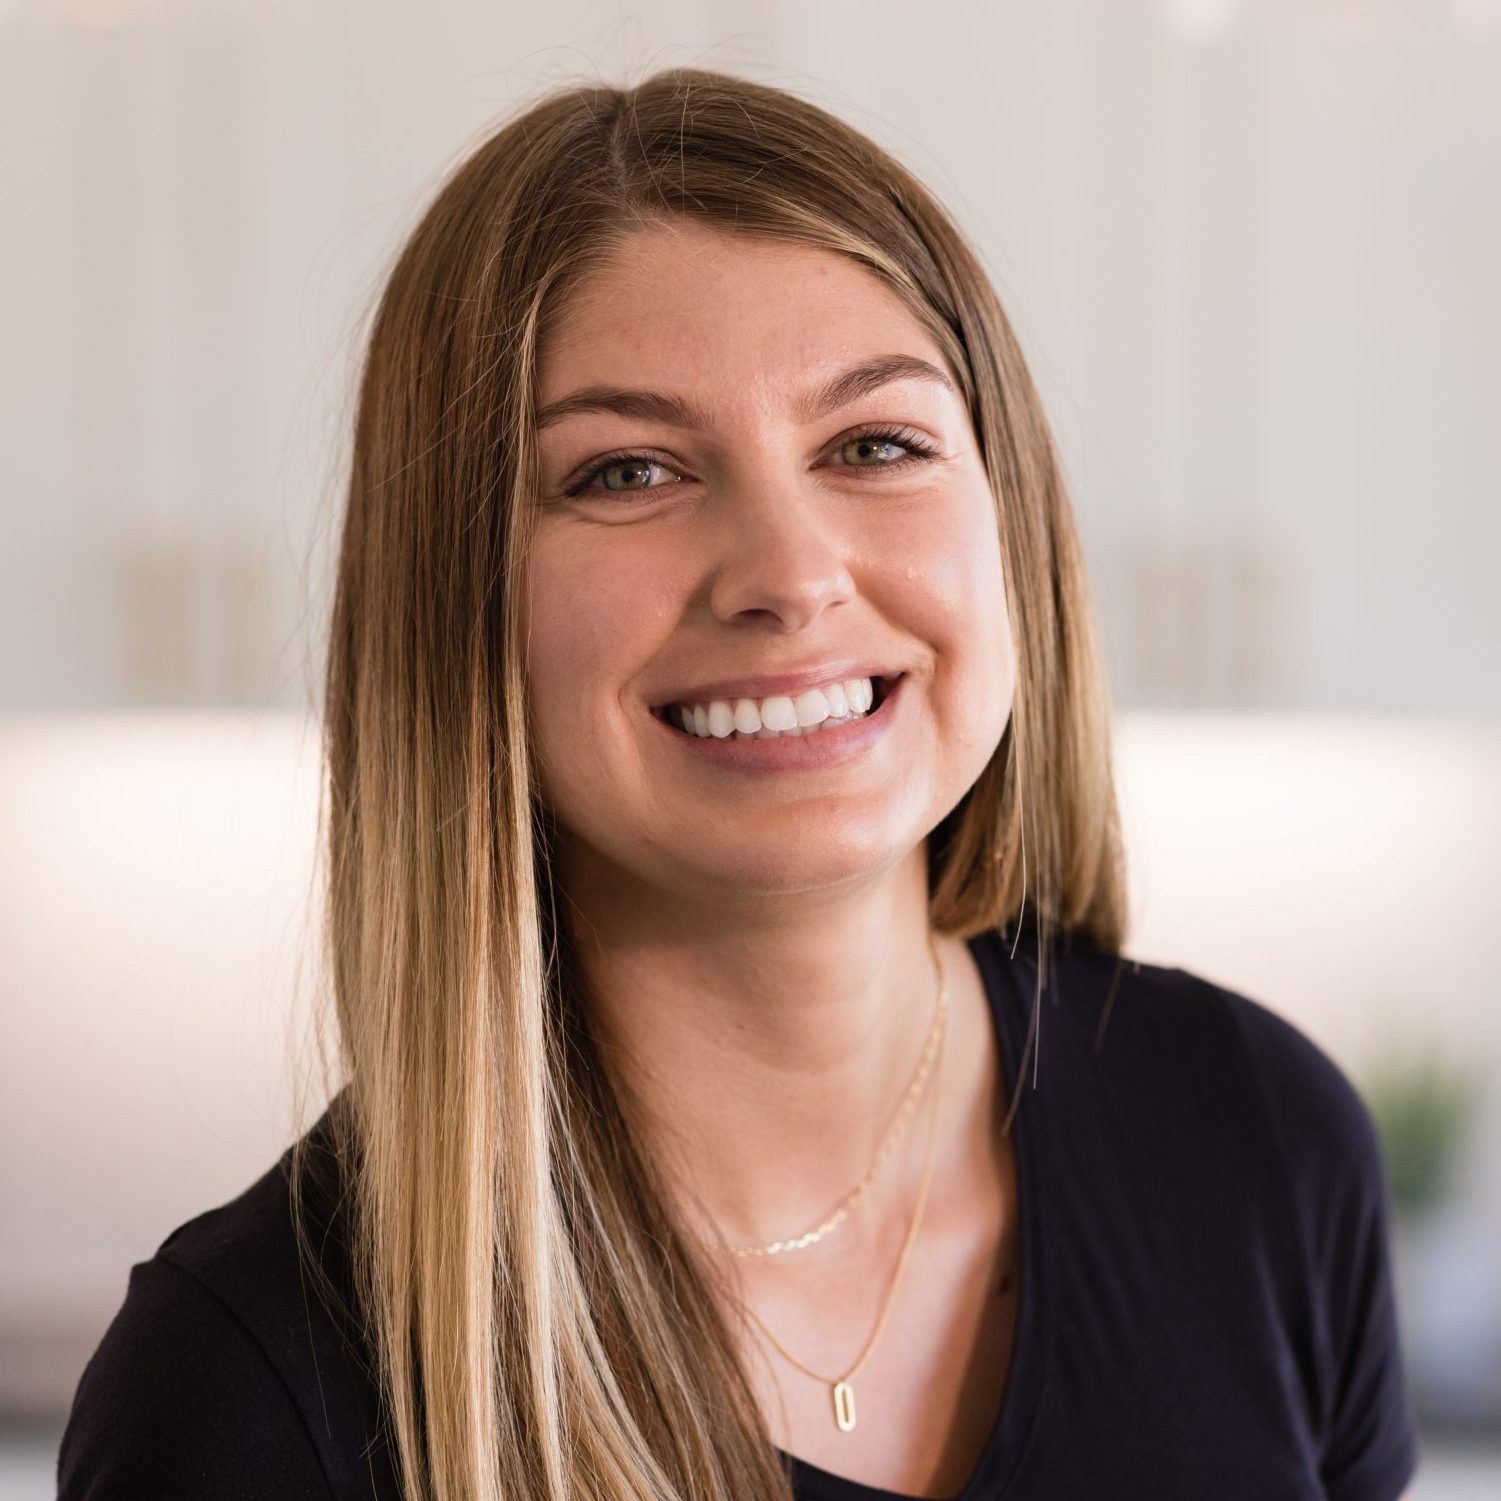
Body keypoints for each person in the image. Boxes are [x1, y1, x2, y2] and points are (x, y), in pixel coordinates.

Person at [56, 67, 1420, 1501]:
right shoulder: (250, 1386)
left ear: (1008, 513)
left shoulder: (1257, 1139)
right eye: (627, 471)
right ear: (452, 598)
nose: (784, 573)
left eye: (872, 444)